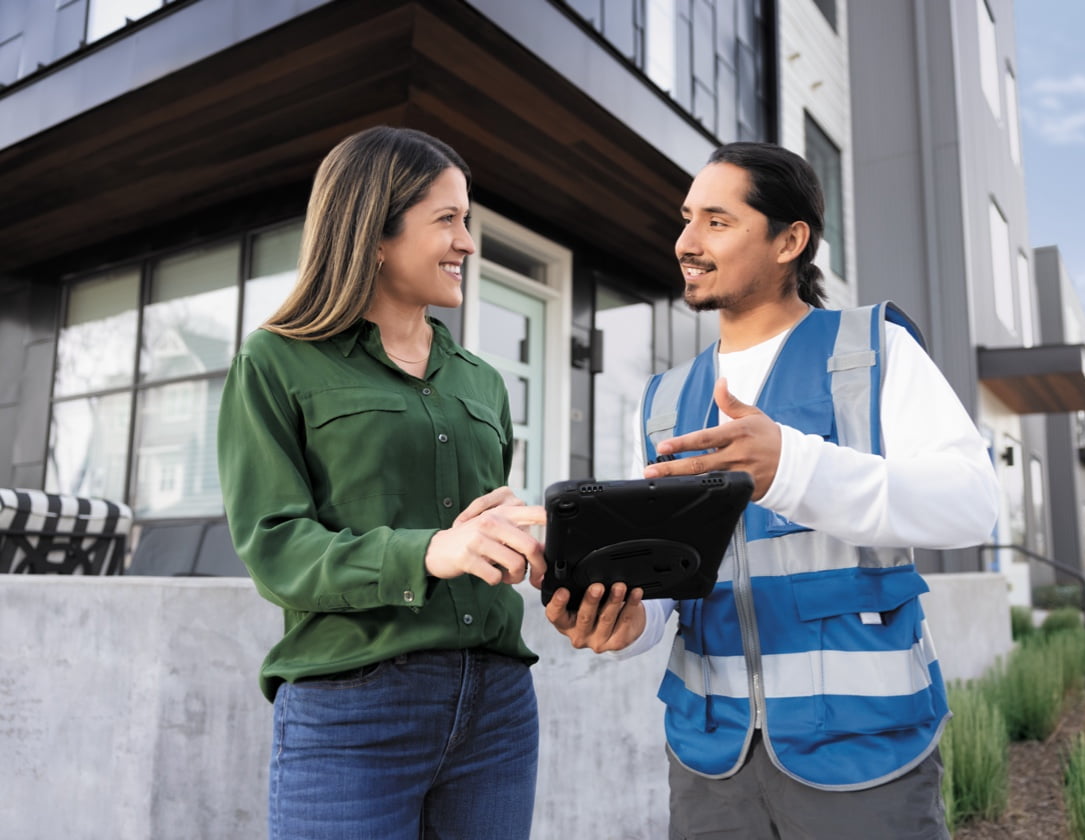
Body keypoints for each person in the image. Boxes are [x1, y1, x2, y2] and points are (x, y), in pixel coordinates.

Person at [546, 141, 999, 839]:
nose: (687, 243)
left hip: (862, 756)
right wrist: (632, 624)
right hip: (711, 763)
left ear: (791, 240)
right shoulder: (665, 400)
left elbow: (972, 503)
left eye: (717, 222)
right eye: (687, 219)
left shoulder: (871, 351)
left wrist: (793, 468)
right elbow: (672, 584)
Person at [217, 125, 547, 840]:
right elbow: (275, 546)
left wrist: (518, 538)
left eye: (468, 220)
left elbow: (474, 535)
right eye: (447, 220)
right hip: (352, 708)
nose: (468, 242)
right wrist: (428, 552)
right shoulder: (276, 362)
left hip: (496, 707)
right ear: (374, 234)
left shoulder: (482, 382)